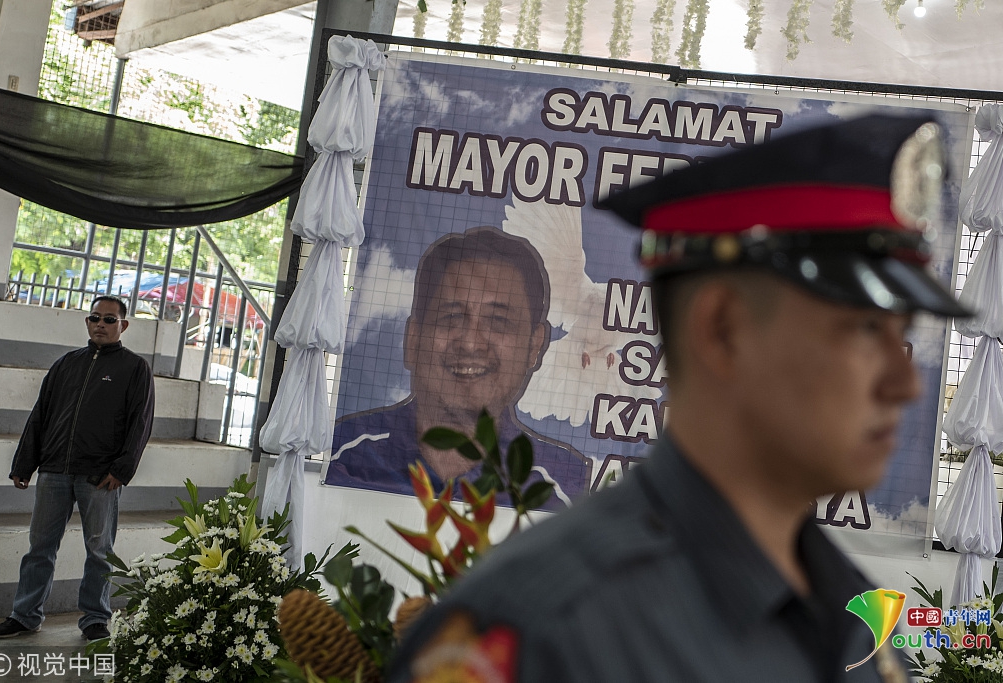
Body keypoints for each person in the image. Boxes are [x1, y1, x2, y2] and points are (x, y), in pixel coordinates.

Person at [387, 115, 969, 682]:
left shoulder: (860, 626)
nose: (906, 384)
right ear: (722, 330)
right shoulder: (540, 634)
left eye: (904, 335)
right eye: (866, 330)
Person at [327, 227, 592, 509]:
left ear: (534, 346)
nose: (470, 343)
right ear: (413, 339)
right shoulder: (339, 452)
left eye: (498, 321)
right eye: (451, 317)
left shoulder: (565, 487)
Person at [0, 295, 155, 642]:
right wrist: (24, 463)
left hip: (100, 476)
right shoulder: (65, 364)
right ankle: (25, 615)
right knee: (40, 547)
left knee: (99, 551)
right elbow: (40, 415)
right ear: (87, 322)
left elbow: (140, 423)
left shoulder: (134, 368)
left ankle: (95, 617)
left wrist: (122, 470)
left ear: (123, 326)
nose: (101, 325)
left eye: (110, 320)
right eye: (95, 318)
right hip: (54, 471)